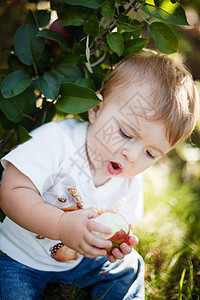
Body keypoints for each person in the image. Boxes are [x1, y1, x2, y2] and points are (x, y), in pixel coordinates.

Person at [0, 52, 199, 300]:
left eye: (150, 153)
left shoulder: (130, 180)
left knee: (131, 267)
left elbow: (124, 222)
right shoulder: (57, 141)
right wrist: (61, 226)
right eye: (126, 134)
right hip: (17, 256)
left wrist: (111, 248)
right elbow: (11, 191)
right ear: (96, 109)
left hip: (78, 263)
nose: (132, 156)